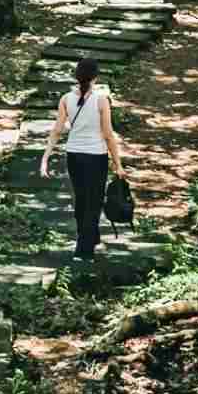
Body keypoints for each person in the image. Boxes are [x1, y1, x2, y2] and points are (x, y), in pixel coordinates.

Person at [38, 56, 124, 260]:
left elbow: (57, 130)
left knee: (82, 200)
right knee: (93, 203)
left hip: (74, 155)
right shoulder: (101, 100)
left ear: (77, 77)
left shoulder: (66, 99)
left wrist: (45, 158)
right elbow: (108, 134)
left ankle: (90, 238)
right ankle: (84, 251)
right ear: (95, 77)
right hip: (96, 157)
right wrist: (118, 164)